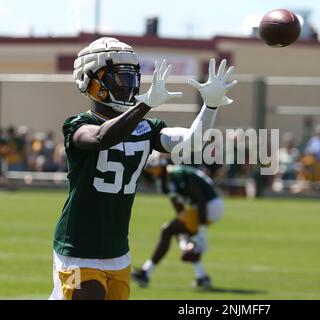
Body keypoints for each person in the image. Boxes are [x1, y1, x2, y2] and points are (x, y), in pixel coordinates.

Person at [49, 37, 237, 300]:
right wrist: (145, 105)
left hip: (117, 250)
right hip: (78, 248)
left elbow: (192, 142)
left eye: (130, 77)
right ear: (89, 81)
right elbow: (102, 137)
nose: (126, 86)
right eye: (116, 78)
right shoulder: (78, 124)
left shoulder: (147, 127)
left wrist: (211, 106)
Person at [132, 157, 224, 289]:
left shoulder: (177, 175)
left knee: (167, 230)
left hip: (210, 206)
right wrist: (184, 237)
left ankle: (145, 274)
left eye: (149, 172)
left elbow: (200, 199)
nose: (147, 176)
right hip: (203, 207)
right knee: (176, 232)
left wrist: (201, 233)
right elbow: (178, 207)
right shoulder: (166, 180)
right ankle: (201, 276)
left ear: (158, 170)